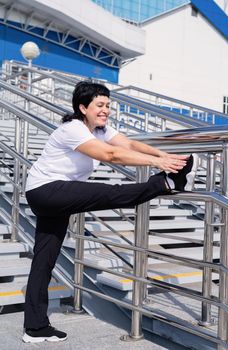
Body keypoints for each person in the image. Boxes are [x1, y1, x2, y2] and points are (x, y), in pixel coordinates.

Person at [22, 81, 199, 343]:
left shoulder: (101, 129)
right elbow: (112, 155)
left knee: (44, 260)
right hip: (47, 190)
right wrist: (160, 164)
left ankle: (35, 328)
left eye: (107, 105)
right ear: (83, 107)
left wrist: (167, 155)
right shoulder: (73, 129)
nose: (105, 110)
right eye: (99, 105)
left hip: (50, 194)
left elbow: (127, 144)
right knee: (111, 193)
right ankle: (165, 183)